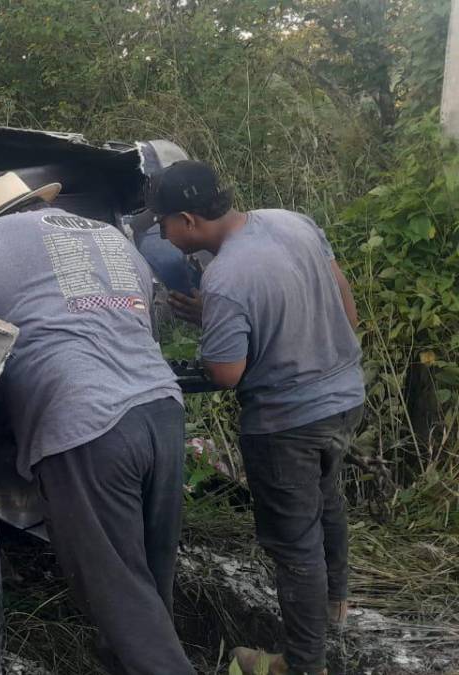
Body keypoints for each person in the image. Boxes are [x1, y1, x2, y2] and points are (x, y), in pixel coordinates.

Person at [0, 171, 193, 675]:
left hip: (83, 420)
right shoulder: (111, 237)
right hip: (162, 406)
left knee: (113, 585)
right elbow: (146, 324)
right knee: (151, 571)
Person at [148, 160, 364, 675]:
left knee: (294, 546)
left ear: (188, 220)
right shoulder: (290, 220)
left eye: (163, 224)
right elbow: (342, 301)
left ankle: (302, 663)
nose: (162, 234)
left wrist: (215, 329)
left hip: (286, 422)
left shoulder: (225, 277)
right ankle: (335, 605)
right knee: (327, 500)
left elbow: (226, 373)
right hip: (344, 396)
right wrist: (223, 318)